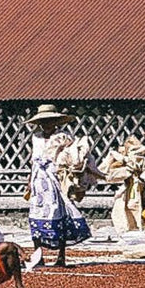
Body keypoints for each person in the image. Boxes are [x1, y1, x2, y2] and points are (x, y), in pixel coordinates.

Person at [25, 104, 91, 268]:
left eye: (50, 121)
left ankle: (61, 256)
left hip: (55, 179)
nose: (46, 124)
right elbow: (33, 161)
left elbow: (71, 157)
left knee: (59, 212)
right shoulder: (36, 137)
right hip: (39, 180)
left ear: (56, 122)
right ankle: (38, 255)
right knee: (36, 213)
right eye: (43, 121)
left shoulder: (64, 137)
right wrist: (29, 181)